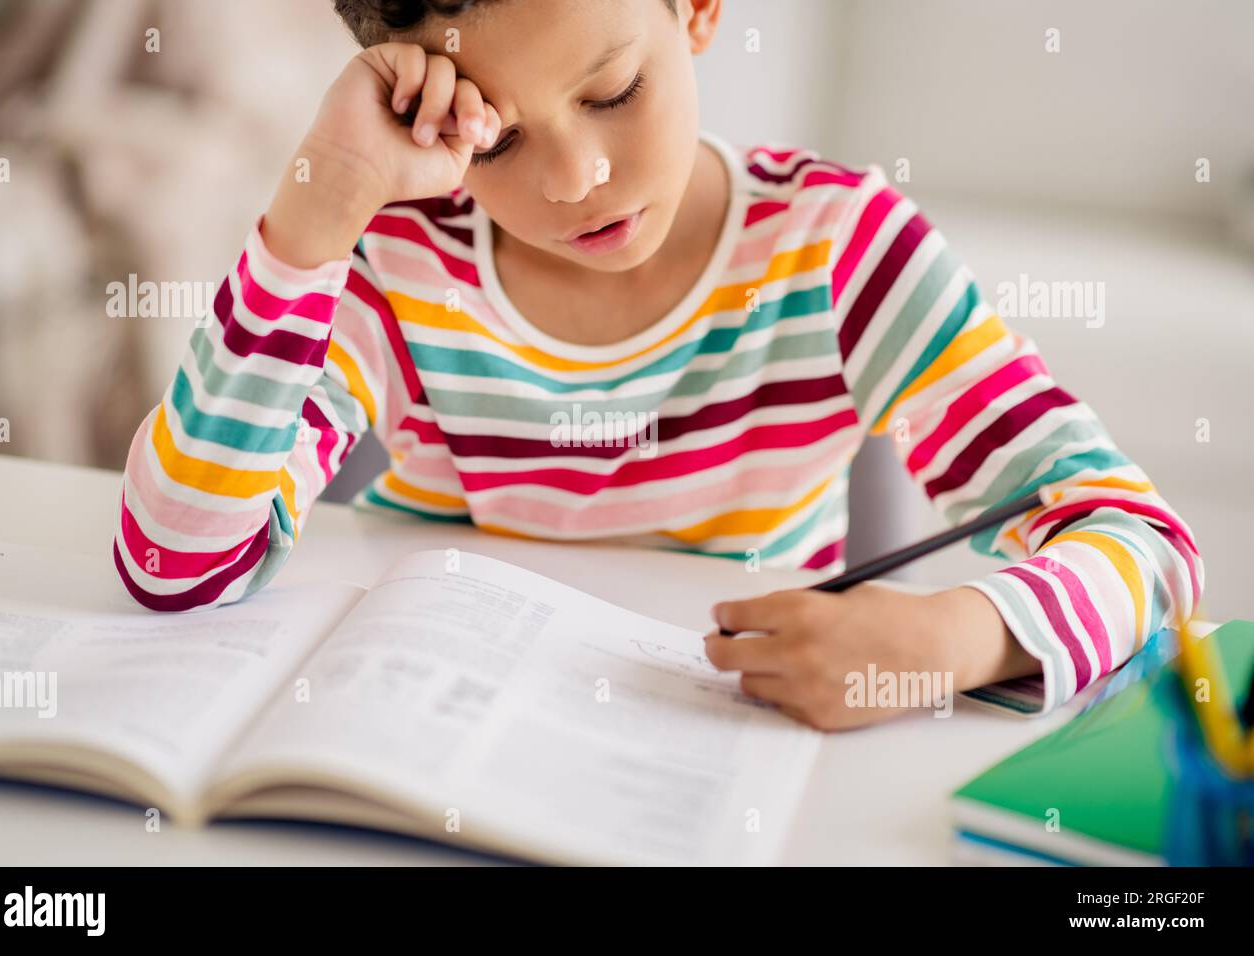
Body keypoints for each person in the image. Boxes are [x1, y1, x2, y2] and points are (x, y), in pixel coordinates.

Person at [113, 0, 1203, 729]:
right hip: (427, 745)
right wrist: (322, 205)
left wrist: (951, 637)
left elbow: (1143, 544)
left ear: (694, 10)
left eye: (610, 93)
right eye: (496, 141)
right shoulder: (401, 261)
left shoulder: (835, 247)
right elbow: (175, 561)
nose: (578, 178)